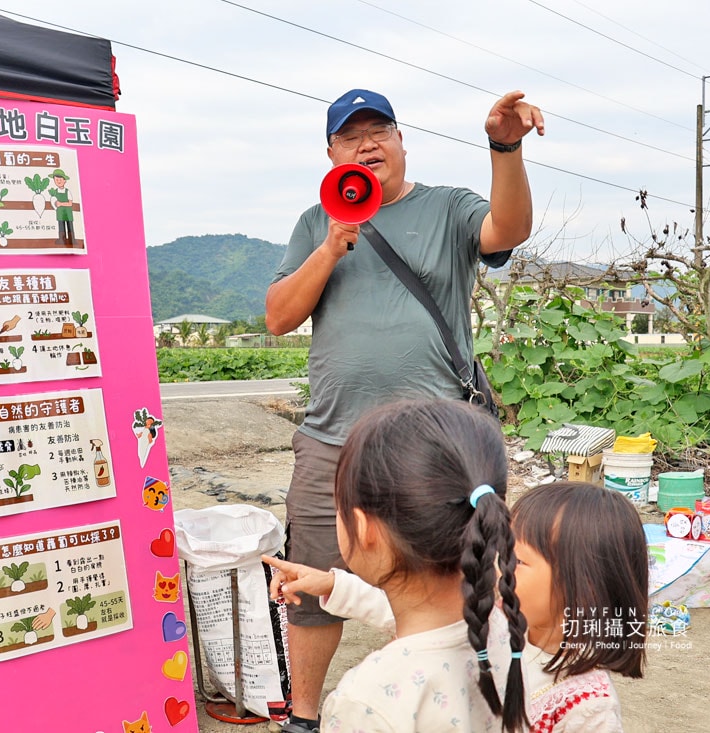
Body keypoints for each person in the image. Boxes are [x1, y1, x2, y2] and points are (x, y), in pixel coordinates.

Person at [264, 87, 544, 731]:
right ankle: (303, 718)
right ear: (332, 153)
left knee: (450, 574)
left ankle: (465, 697)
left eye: (379, 130)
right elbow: (279, 316)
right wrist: (333, 244)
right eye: (350, 135)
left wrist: (504, 147)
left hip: (435, 443)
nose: (368, 143)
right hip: (334, 439)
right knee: (312, 580)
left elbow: (509, 230)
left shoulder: (445, 207)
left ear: (400, 141)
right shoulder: (315, 222)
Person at [264, 398, 528, 733]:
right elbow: (415, 609)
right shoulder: (510, 630)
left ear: (363, 529)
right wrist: (334, 585)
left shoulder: (365, 702)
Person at [511, 481, 648, 731]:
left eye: (517, 560)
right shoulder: (504, 632)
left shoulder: (590, 709)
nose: (498, 568)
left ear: (584, 589)